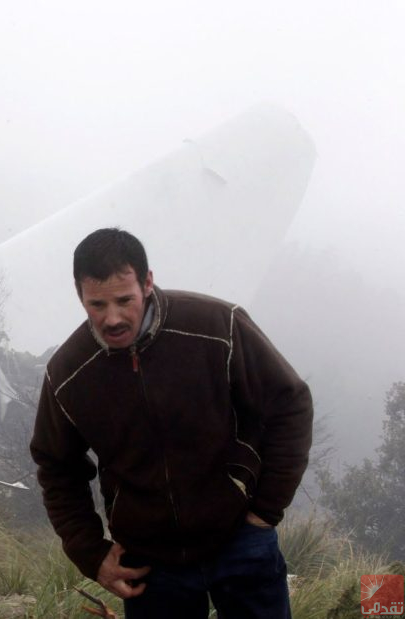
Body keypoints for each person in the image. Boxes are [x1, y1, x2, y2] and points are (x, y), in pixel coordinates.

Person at [29, 228, 312, 618]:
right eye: (97, 304)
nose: (112, 318)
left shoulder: (217, 326)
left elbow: (290, 402)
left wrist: (264, 512)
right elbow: (56, 467)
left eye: (124, 300)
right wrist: (92, 554)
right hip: (150, 563)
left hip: (239, 538)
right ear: (79, 294)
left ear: (147, 282)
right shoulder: (68, 373)